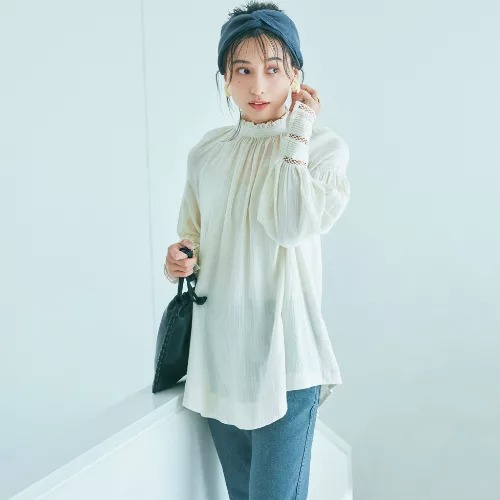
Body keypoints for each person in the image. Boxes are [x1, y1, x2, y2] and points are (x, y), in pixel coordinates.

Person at [163, 2, 351, 498]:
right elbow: (194, 238)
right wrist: (180, 258)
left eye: (272, 69)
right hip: (219, 359)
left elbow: (290, 226)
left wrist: (299, 129)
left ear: (296, 75)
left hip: (287, 360)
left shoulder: (323, 148)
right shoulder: (206, 153)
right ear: (225, 78)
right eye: (242, 70)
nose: (258, 86)